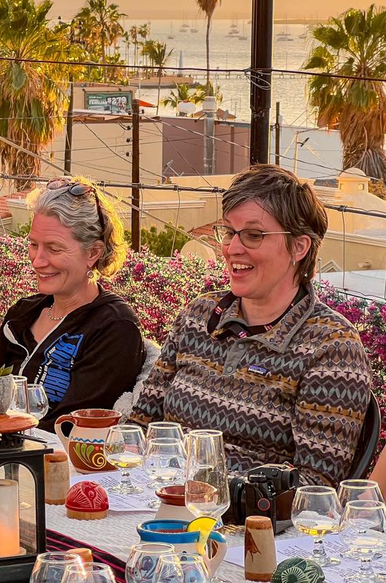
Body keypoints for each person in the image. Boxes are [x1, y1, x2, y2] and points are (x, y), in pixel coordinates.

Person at [131, 164, 372, 487]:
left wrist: (214, 493)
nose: (232, 248)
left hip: (248, 515)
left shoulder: (332, 346)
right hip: (156, 498)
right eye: (229, 232)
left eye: (254, 235)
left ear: (299, 247)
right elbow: (140, 425)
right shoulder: (200, 314)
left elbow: (314, 486)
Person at [0, 177, 144, 428]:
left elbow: (71, 426)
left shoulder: (114, 327)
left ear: (93, 253)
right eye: (33, 244)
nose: (37, 261)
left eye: (54, 249)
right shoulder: (22, 313)